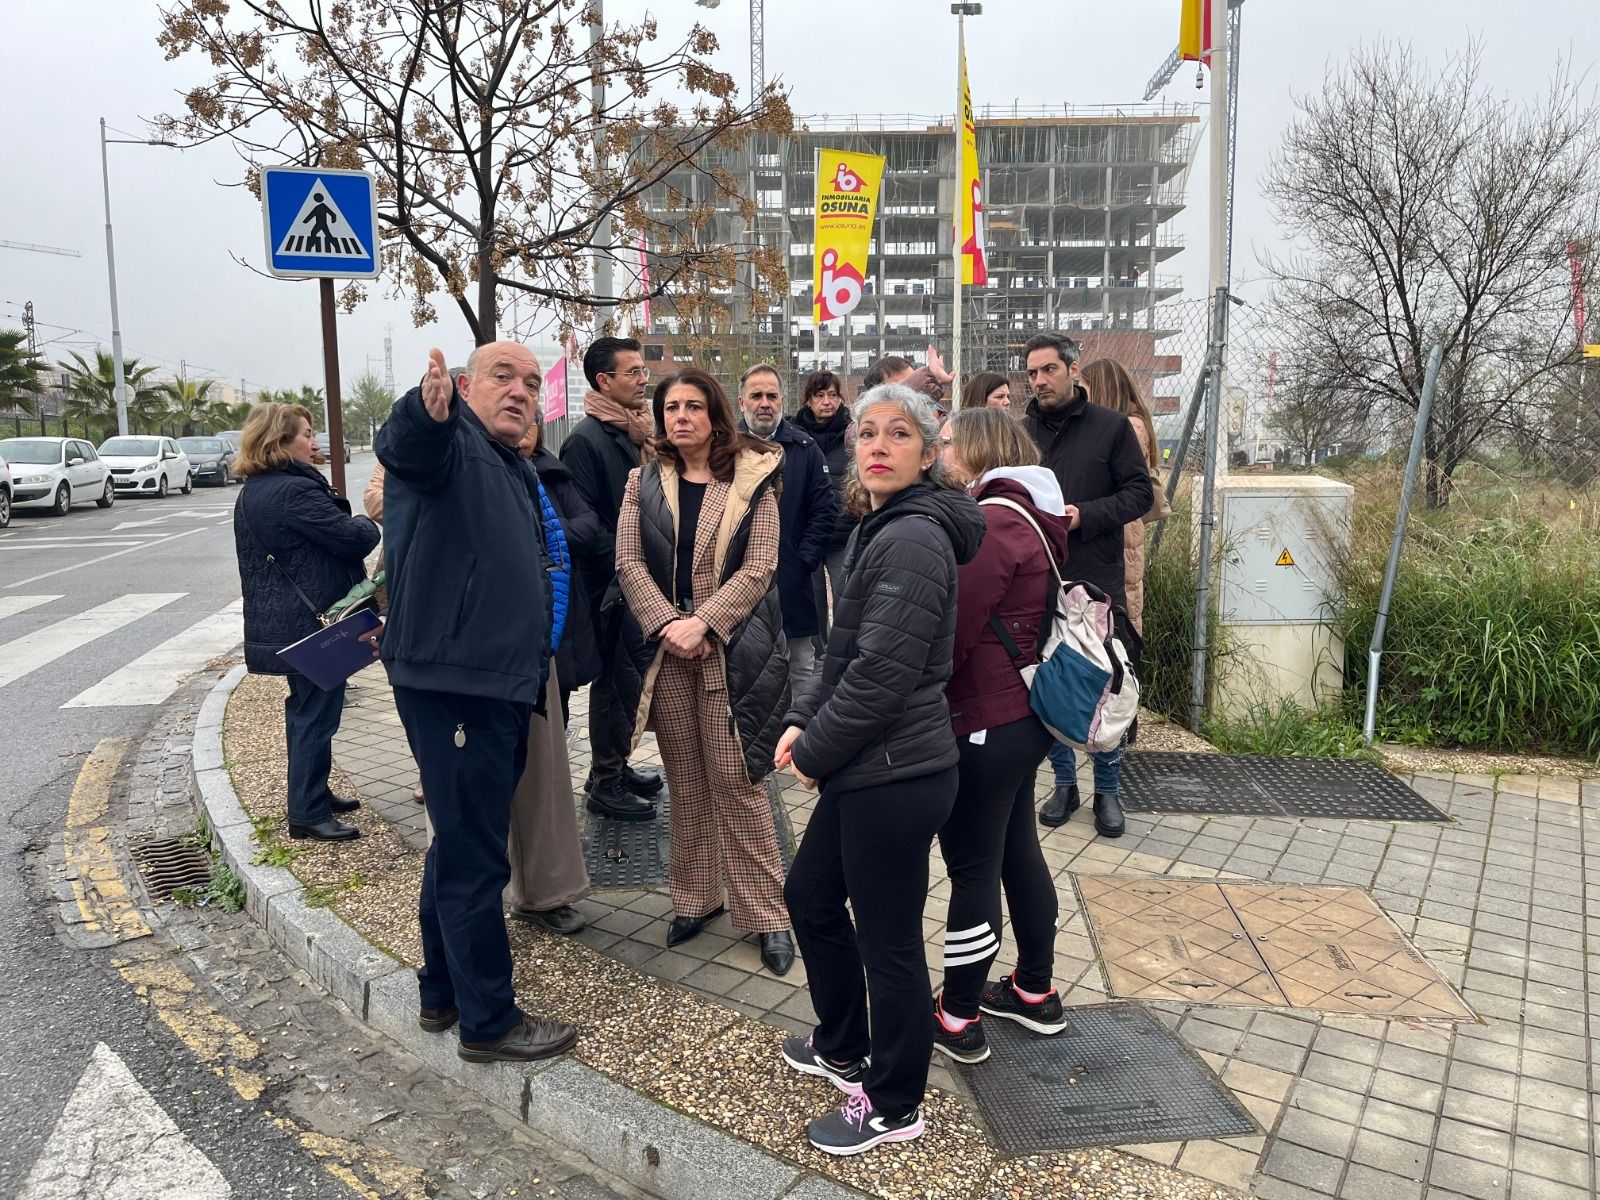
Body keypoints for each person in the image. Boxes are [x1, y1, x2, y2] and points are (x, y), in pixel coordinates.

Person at [774, 383, 984, 1155]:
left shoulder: (912, 536)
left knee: (890, 944)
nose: (878, 445)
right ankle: (842, 1045)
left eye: (900, 434)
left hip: (896, 773)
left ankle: (895, 1103)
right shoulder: (882, 523)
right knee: (810, 895)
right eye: (868, 432)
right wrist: (802, 721)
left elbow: (881, 677)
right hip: (867, 763)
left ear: (929, 454)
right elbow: (845, 650)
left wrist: (816, 750)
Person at [375, 342, 577, 1064]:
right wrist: (423, 414)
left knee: (457, 844)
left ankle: (441, 991)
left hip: (492, 681)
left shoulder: (509, 460)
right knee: (475, 860)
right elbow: (406, 448)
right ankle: (489, 1023)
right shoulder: (450, 440)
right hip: (457, 681)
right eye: (503, 377)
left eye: (531, 382)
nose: (520, 392)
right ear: (462, 387)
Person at [614, 369, 796, 976]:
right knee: (686, 782)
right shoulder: (640, 482)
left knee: (739, 784)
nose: (682, 416)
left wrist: (706, 623)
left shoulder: (752, 479)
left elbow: (762, 563)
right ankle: (696, 898)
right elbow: (629, 562)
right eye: (671, 407)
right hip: (667, 657)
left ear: (716, 413)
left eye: (694, 406)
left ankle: (767, 915)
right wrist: (669, 623)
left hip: (732, 653)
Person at [931, 407, 1072, 1064]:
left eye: (949, 442)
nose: (939, 450)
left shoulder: (992, 522)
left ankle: (958, 1015)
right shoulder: (1036, 514)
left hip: (985, 718)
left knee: (972, 869)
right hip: (1027, 717)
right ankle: (1034, 991)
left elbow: (955, 629)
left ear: (980, 449)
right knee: (1018, 853)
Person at [1019, 334, 1152, 838]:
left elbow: (1139, 493)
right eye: (1032, 373)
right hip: (1038, 576)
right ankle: (1063, 784)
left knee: (1104, 681)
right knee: (1051, 680)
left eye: (1048, 370)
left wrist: (1085, 516)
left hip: (1095, 578)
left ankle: (1108, 792)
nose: (1039, 381)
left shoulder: (1111, 428)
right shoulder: (1023, 431)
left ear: (1073, 371)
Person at [234, 401, 381, 842]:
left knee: (309, 708)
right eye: (305, 434)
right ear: (281, 442)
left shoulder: (257, 489)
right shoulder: (292, 492)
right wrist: (366, 520)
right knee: (315, 713)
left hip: (287, 619)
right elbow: (352, 538)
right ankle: (307, 812)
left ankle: (313, 791)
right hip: (309, 623)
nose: (313, 441)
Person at [561, 336, 662, 822]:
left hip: (632, 579)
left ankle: (616, 766)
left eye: (644, 371)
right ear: (604, 381)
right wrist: (629, 555)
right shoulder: (586, 439)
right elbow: (584, 522)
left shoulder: (635, 432)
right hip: (607, 584)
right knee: (611, 683)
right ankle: (604, 781)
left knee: (628, 681)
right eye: (633, 373)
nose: (644, 379)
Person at [503, 412, 593, 936]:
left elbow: (567, 541)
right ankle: (470, 903)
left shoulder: (538, 475)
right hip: (467, 662)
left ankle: (545, 891)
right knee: (467, 800)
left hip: (538, 645)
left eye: (531, 390)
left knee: (543, 773)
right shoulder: (443, 463)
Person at [736, 363, 837, 693]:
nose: (765, 403)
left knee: (799, 671)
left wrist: (802, 559)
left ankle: (796, 742)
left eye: (772, 396)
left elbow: (824, 511)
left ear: (782, 400)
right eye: (756, 396)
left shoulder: (805, 450)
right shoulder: (722, 450)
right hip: (734, 586)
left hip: (791, 583)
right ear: (741, 402)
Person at [1079, 358, 1162, 638]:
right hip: (1115, 527)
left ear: (1101, 390)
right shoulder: (1125, 424)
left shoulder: (1129, 427)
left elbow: (1128, 485)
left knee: (1122, 611)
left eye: (1084, 388)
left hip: (1122, 531)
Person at [791, 370, 855, 648]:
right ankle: (819, 657)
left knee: (846, 595)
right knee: (812, 599)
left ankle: (843, 653)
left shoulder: (853, 433)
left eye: (832, 395)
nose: (827, 401)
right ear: (808, 400)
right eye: (819, 395)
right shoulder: (794, 435)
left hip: (844, 533)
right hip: (809, 535)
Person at [863, 346, 952, 412]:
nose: (917, 388)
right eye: (903, 385)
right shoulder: (862, 426)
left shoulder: (932, 409)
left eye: (913, 378)